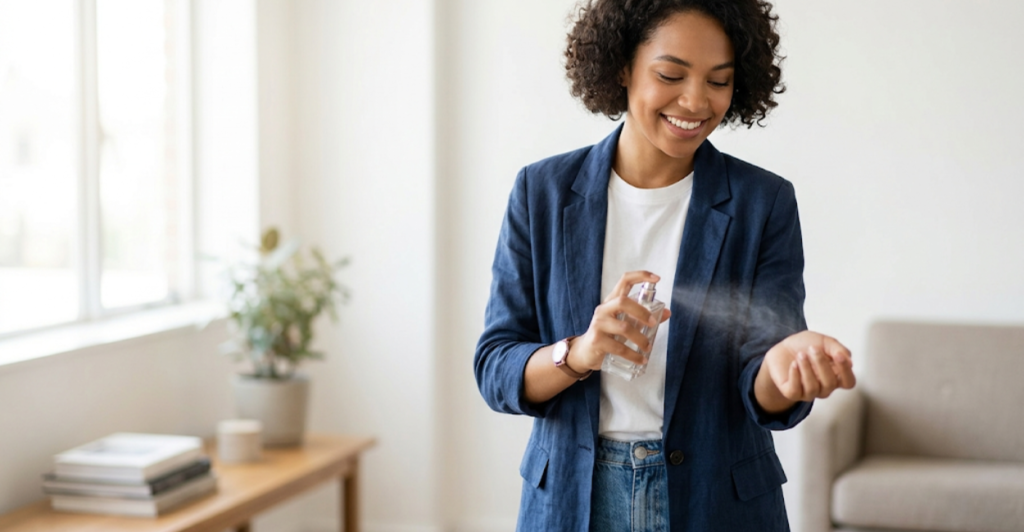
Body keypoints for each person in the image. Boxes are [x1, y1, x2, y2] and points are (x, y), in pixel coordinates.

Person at [474, 1, 856, 530]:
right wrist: (580, 352)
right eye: (670, 74)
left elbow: (761, 378)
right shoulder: (541, 192)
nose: (696, 101)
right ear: (622, 67)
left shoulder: (762, 202)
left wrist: (786, 367)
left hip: (716, 501)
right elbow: (496, 366)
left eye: (719, 81)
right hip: (571, 498)